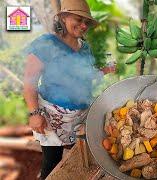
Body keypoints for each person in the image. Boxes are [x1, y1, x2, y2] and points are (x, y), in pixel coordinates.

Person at [23, 0, 115, 179]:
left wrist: (104, 71)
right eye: (78, 19)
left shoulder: (85, 48)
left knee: (78, 153)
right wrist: (34, 113)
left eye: (86, 22)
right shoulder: (47, 44)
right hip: (52, 116)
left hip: (80, 115)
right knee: (53, 161)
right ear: (64, 17)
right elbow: (29, 82)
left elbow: (86, 77)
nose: (83, 25)